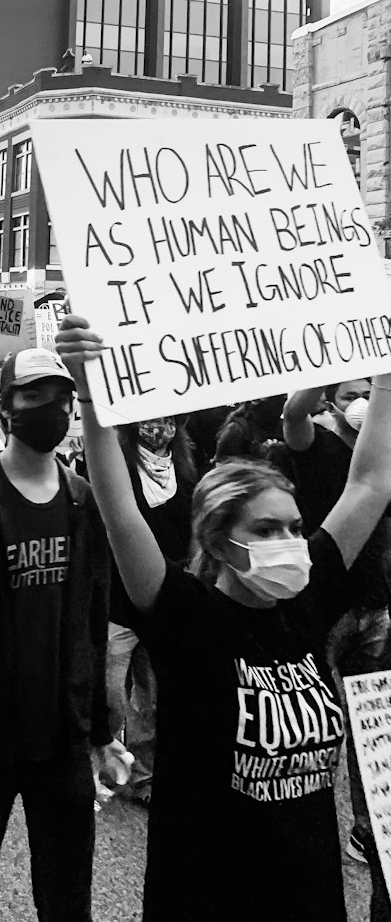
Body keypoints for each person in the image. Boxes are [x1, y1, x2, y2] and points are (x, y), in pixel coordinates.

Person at [57, 314, 391, 922]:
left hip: (309, 896)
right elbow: (119, 507)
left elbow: (369, 482)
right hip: (209, 893)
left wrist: (388, 371)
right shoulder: (188, 617)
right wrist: (89, 391)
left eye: (294, 526)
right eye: (265, 530)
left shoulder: (305, 603)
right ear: (216, 542)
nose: (290, 541)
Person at [0, 346, 127, 922]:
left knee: (68, 900)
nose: (49, 408)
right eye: (32, 396)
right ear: (7, 407)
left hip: (61, 742)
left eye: (59, 397)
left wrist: (98, 727)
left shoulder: (80, 499)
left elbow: (93, 620)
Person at [282, 377, 391, 867]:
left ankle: (365, 829)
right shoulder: (316, 443)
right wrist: (322, 363)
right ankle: (301, 823)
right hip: (325, 611)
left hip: (374, 609)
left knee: (371, 730)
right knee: (310, 726)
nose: (361, 404)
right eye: (350, 396)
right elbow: (293, 417)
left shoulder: (382, 458)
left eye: (369, 393)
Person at [103, 416, 196, 803]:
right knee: (110, 693)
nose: (159, 427)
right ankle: (103, 760)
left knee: (151, 695)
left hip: (164, 601)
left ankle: (142, 776)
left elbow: (192, 529)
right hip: (118, 602)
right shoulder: (118, 467)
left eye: (167, 421)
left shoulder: (186, 470)